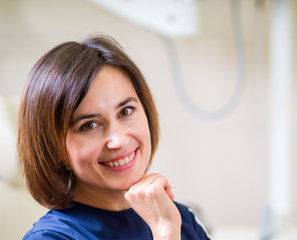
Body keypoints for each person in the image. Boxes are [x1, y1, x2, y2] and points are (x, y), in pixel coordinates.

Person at [18, 34, 211, 240]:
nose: (118, 140)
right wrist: (165, 233)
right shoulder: (51, 238)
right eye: (89, 125)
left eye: (126, 112)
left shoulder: (179, 218)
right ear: (54, 148)